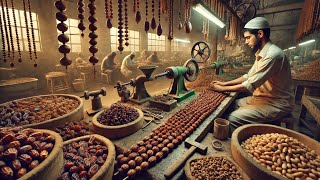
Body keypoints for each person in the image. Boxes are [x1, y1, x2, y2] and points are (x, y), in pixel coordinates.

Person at [210, 17, 294, 130]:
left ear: (260, 34)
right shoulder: (261, 53)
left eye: (248, 37)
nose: (246, 41)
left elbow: (250, 85)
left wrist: (220, 89)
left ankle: (234, 144)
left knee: (234, 118)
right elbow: (248, 77)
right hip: (261, 98)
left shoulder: (273, 55)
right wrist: (224, 84)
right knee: (231, 105)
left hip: (276, 103)